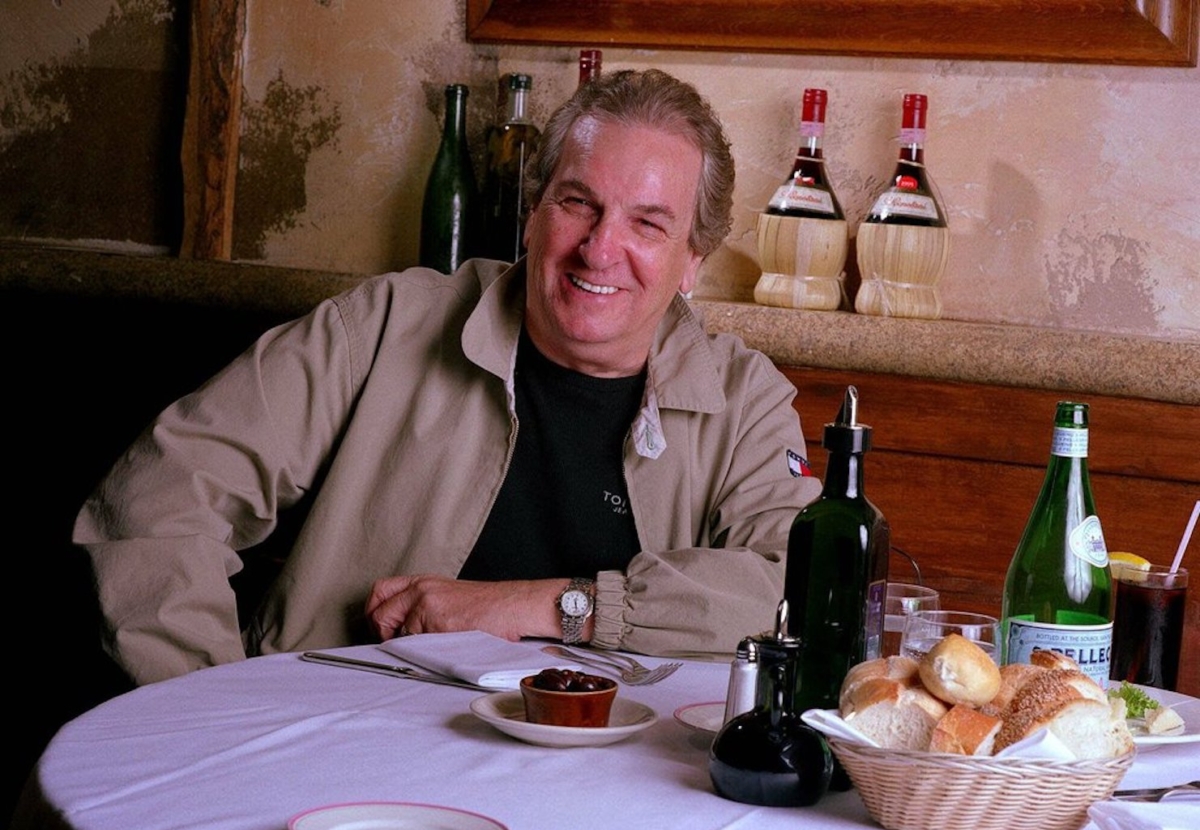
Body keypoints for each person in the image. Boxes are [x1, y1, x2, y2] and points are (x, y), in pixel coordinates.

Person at [73, 69, 822, 686]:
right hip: (343, 742)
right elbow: (157, 499)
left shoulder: (744, 400)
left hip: (622, 777)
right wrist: (212, 712)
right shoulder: (384, 326)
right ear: (532, 214)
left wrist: (551, 605)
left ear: (693, 260)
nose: (600, 248)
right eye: (577, 202)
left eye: (648, 225)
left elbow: (802, 595)